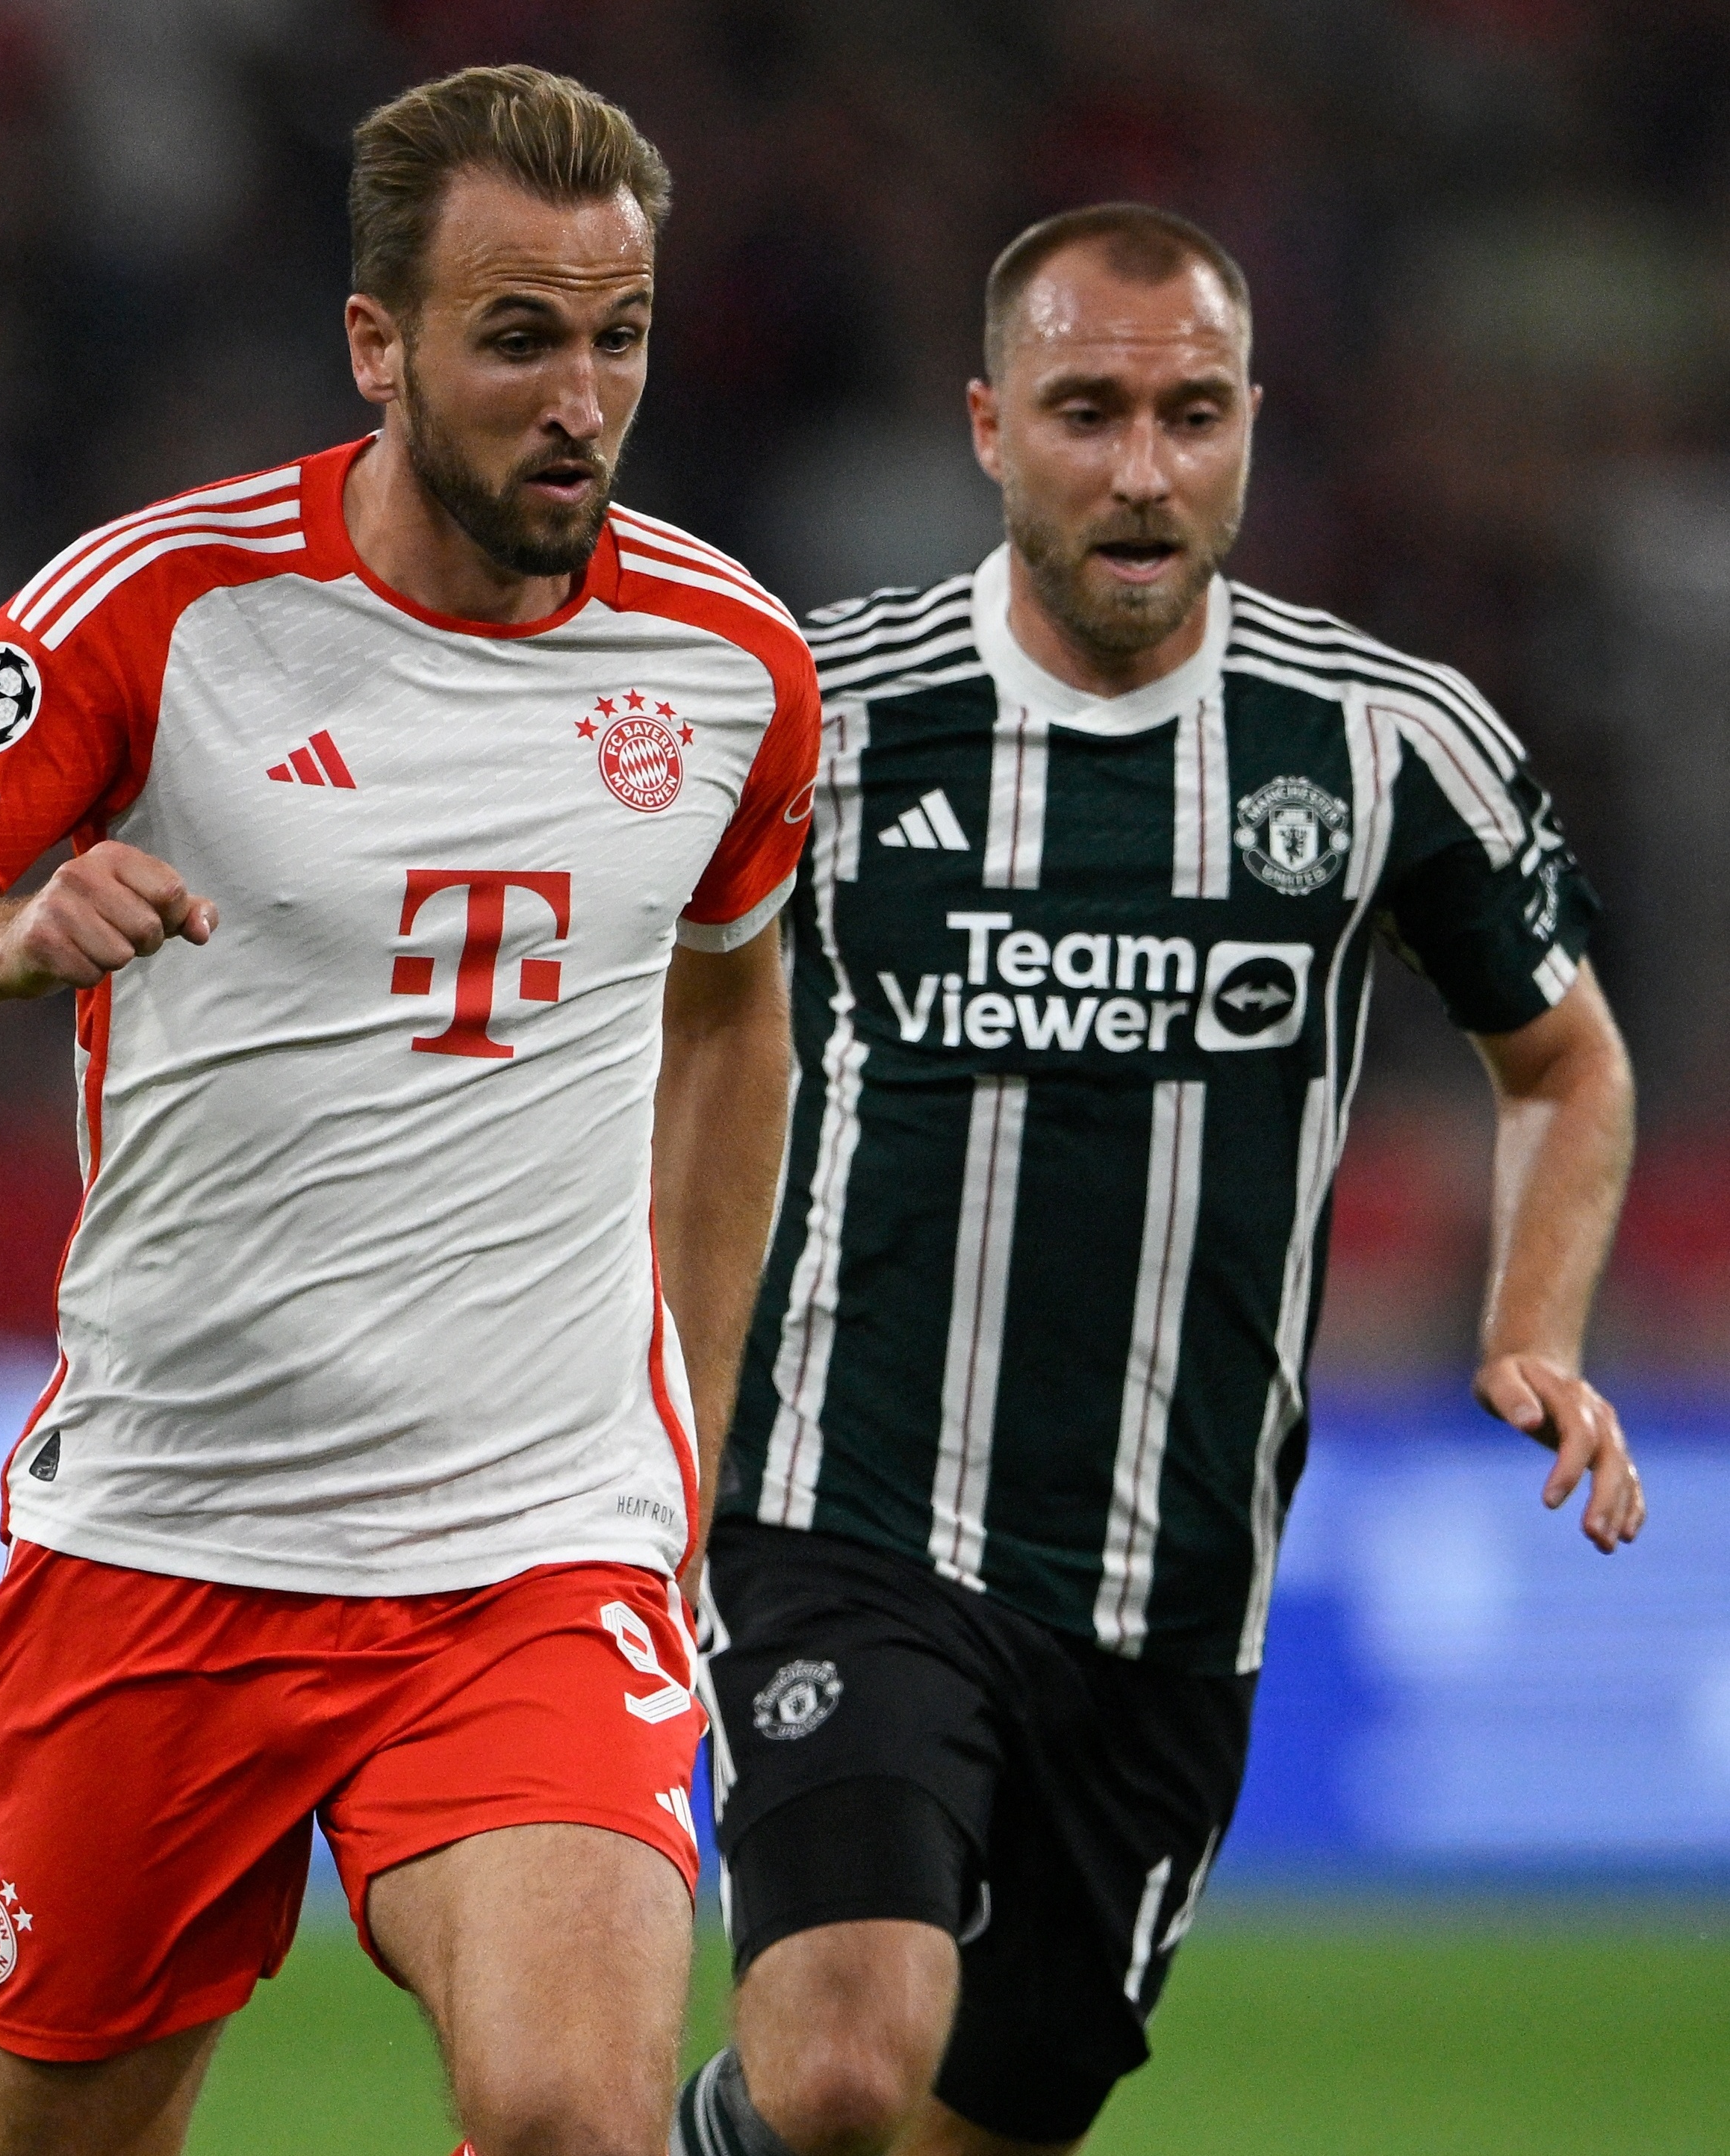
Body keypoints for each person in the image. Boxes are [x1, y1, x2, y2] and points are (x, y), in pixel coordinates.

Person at [0, 65, 818, 2156]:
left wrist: (691, 1422)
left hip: (536, 1549)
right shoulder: (159, 607)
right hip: (173, 1537)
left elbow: (733, 1019)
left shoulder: (735, 668)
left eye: (620, 337)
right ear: (377, 344)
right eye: (517, 337)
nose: (579, 398)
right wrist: (1, 938)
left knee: (574, 2123)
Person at [671, 203, 1643, 2156]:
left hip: (1174, 1593)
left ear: (1253, 426)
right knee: (847, 2064)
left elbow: (1566, 1057)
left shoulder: (1387, 745)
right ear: (986, 426)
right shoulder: (820, 711)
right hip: (844, 1512)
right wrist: (664, 1412)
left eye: (1190, 415)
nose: (1140, 470)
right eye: (1087, 409)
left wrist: (1533, 1327)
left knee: (966, 2124)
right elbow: (677, 1040)